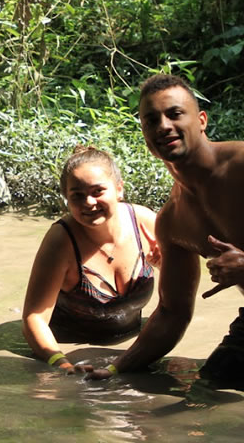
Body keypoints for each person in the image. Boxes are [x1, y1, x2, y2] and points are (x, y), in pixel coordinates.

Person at [88, 74, 244, 387]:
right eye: (151, 120)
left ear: (201, 120)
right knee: (209, 391)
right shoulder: (173, 221)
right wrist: (118, 368)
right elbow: (173, 314)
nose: (163, 126)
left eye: (174, 114)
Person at [22, 146, 160, 373]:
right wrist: (60, 363)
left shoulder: (145, 223)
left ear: (119, 189)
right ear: (66, 198)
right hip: (69, 348)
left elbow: (174, 305)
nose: (88, 202)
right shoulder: (60, 241)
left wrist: (164, 266)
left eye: (98, 191)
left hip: (131, 345)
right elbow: (34, 318)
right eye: (77, 195)